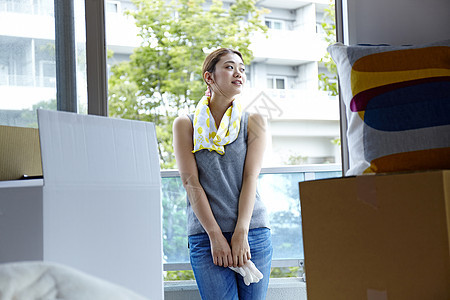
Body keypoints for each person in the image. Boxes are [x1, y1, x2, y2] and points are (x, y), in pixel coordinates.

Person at [173, 48, 272, 300]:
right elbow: (190, 181)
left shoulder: (254, 121)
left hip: (252, 232)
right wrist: (215, 235)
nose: (238, 73)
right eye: (229, 67)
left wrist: (241, 231)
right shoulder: (185, 123)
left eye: (241, 68)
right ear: (209, 77)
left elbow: (251, 177)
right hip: (206, 236)